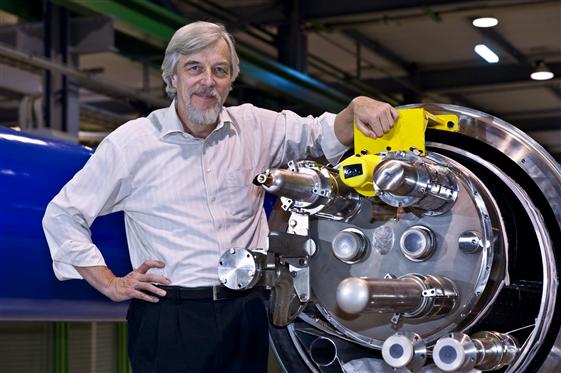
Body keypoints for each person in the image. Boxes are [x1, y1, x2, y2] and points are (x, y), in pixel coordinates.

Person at [42, 21, 398, 373]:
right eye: (194, 68)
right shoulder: (132, 143)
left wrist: (357, 106)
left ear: (230, 81)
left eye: (219, 70)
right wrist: (110, 283)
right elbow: (63, 214)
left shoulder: (255, 127)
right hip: (171, 318)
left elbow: (320, 133)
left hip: (245, 312)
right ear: (173, 77)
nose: (207, 81)